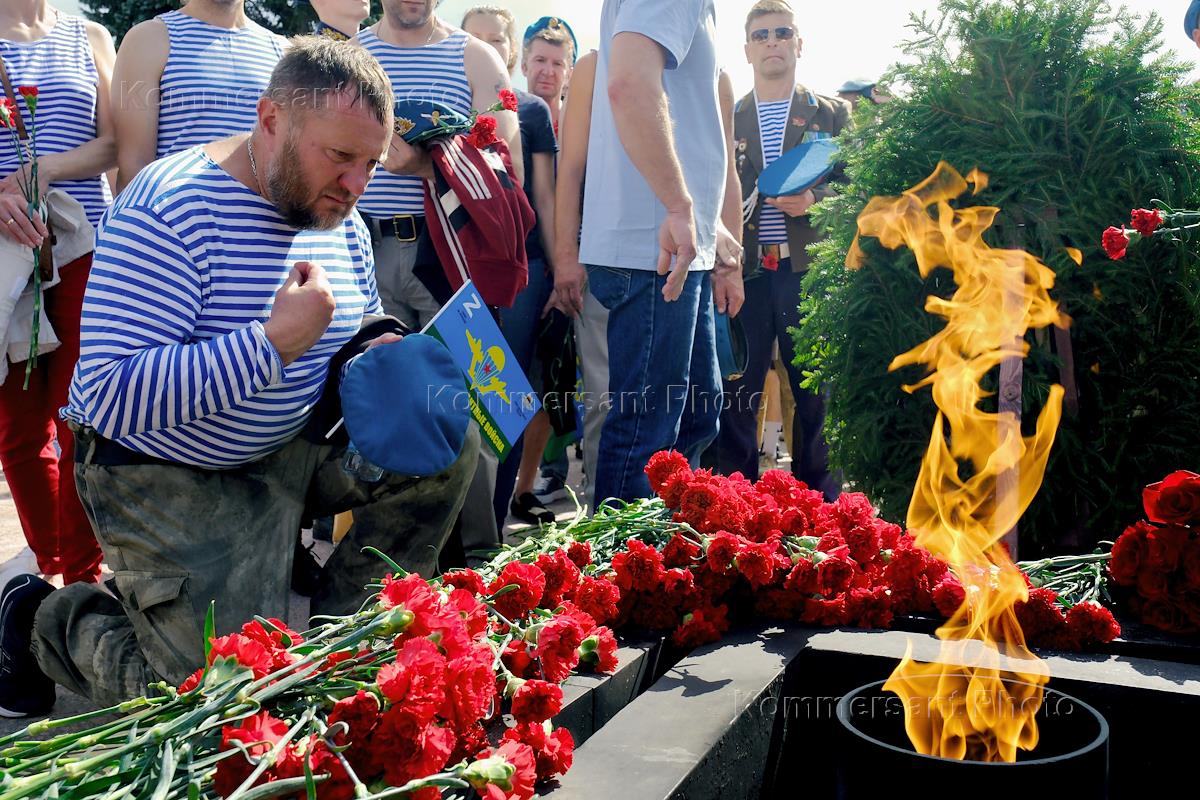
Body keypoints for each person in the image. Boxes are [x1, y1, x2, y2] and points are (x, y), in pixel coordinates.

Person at [0, 38, 479, 716]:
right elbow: (105, 396)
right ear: (271, 119)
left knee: (443, 437)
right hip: (167, 473)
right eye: (339, 156)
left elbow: (350, 322)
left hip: (287, 451)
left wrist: (376, 348)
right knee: (218, 698)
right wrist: (272, 343)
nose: (357, 185)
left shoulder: (336, 211)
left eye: (372, 163)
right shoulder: (171, 207)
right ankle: (42, 620)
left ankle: (346, 651)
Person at [580, 0, 744, 504]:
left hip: (675, 243)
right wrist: (677, 206)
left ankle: (664, 544)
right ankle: (622, 555)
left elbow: (689, 124)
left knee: (695, 417)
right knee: (646, 435)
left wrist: (708, 223)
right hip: (654, 247)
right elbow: (629, 85)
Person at [709, 0, 848, 498]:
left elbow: (860, 188)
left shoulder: (832, 113)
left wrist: (816, 199)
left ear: (799, 44)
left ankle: (823, 504)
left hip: (806, 271)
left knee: (815, 394)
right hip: (743, 272)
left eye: (782, 33)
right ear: (747, 49)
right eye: (761, 34)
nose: (772, 42)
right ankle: (735, 503)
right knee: (737, 393)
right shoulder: (728, 114)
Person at [0, 0, 116, 586]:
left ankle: (82, 576)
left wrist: (43, 169)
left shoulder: (89, 35)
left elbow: (115, 144)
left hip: (82, 247)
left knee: (80, 419)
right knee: (19, 428)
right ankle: (52, 566)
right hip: (2, 257)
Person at [460, 5, 560, 526]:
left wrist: (560, 269)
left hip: (524, 270)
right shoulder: (447, 104)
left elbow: (545, 197)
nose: (486, 48)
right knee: (457, 392)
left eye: (496, 40)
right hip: (457, 266)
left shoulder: (532, 111)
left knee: (505, 396)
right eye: (474, 39)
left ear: (511, 52)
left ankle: (492, 525)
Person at [110, 0, 287, 192]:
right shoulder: (148, 38)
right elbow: (134, 168)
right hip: (176, 209)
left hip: (265, 211)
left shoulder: (282, 50)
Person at [521, 16, 576, 134]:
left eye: (557, 64)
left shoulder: (581, 129)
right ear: (524, 66)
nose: (548, 72)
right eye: (540, 60)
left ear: (569, 75)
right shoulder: (507, 121)